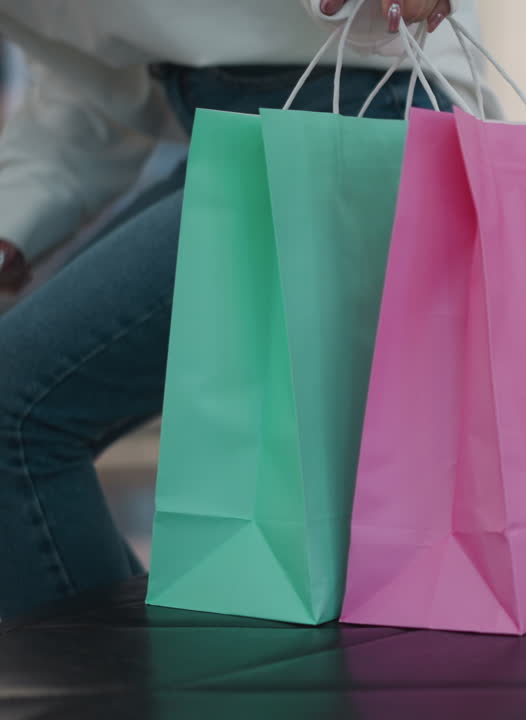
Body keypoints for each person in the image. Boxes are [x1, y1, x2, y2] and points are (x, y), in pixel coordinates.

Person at [0, 0, 493, 619]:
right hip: (227, 133)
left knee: (15, 414)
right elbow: (92, 89)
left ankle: (126, 693)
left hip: (363, 104)